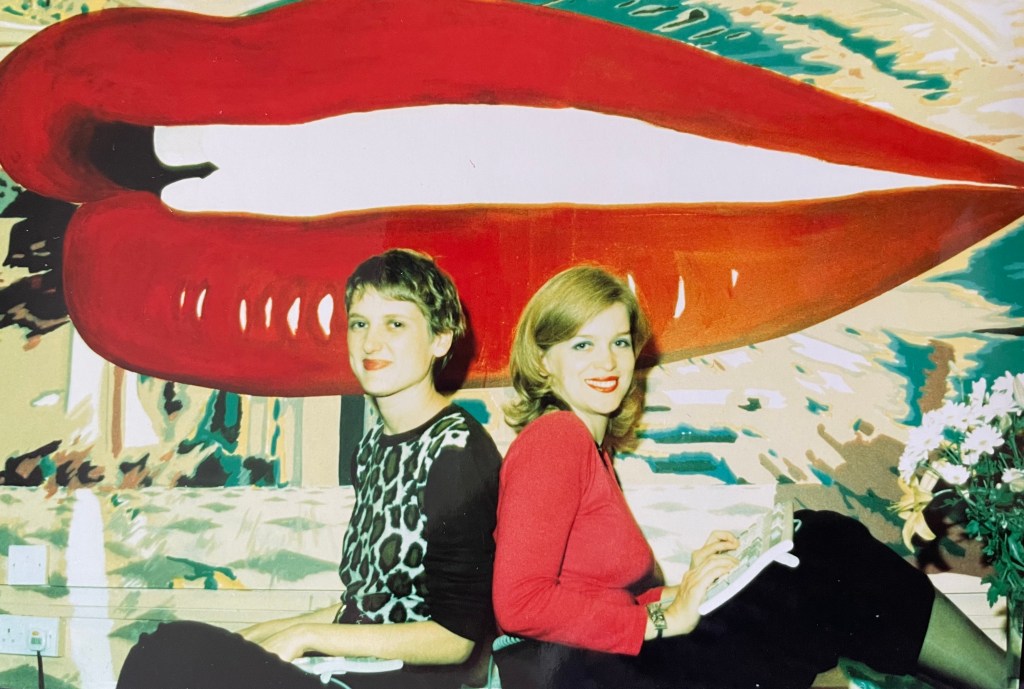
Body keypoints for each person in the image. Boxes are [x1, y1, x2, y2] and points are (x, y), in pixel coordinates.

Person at [491, 265, 1006, 689]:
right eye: (582, 345)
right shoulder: (557, 438)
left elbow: (594, 596)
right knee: (825, 547)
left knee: (807, 545)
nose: (607, 362)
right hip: (598, 676)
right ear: (543, 359)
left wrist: (692, 585)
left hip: (604, 664)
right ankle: (1003, 678)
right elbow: (518, 604)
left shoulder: (585, 444)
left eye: (620, 343)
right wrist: (663, 619)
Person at [116, 249, 502, 689]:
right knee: (173, 650)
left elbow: (456, 639)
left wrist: (305, 635)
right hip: (352, 672)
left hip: (402, 684)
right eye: (360, 323)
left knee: (167, 650)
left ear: (440, 340)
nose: (371, 343)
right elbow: (361, 606)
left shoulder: (457, 451)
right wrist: (255, 637)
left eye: (395, 324)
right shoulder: (374, 446)